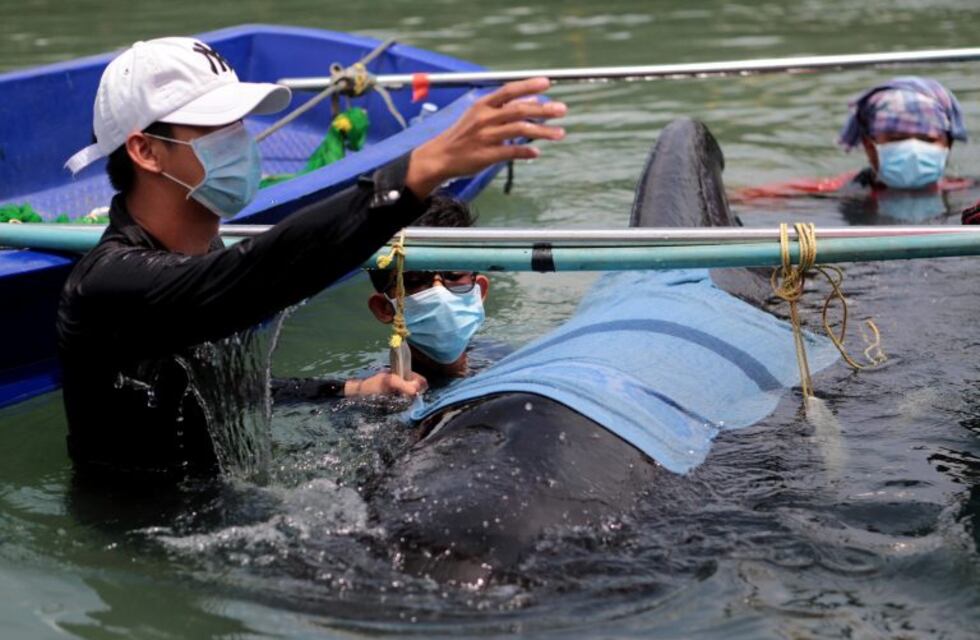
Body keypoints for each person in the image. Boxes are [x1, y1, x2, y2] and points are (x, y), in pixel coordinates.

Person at [56, 36, 567, 480]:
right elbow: (257, 272)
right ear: (146, 151)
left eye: (240, 125)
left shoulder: (202, 252)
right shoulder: (107, 286)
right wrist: (418, 171)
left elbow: (224, 389)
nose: (242, 144)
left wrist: (350, 388)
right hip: (143, 539)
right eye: (217, 130)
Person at [733, 76, 971, 217]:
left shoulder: (967, 193)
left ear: (948, 144)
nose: (912, 148)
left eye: (927, 139)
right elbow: (750, 198)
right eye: (895, 138)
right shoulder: (839, 190)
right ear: (869, 145)